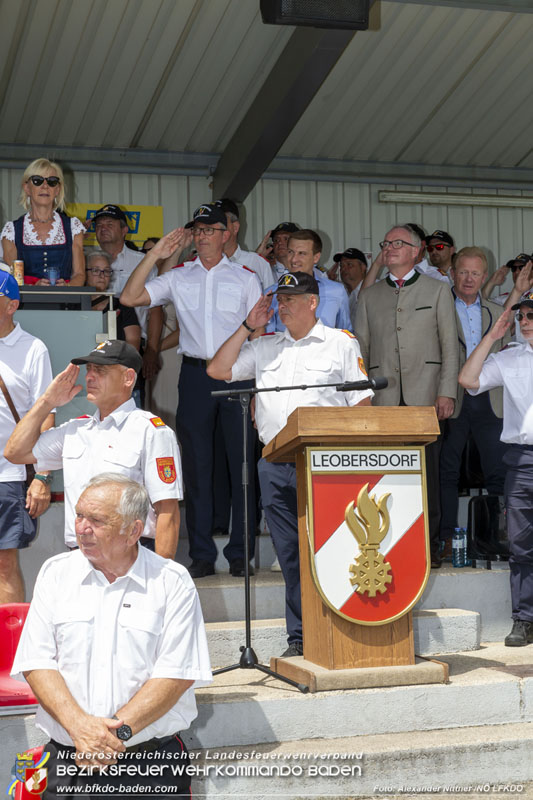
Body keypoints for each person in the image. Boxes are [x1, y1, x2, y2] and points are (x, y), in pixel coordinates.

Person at [11, 473, 212, 796]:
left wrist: (111, 737)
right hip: (67, 763)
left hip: (148, 766)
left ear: (133, 530)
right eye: (79, 515)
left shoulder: (171, 581)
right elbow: (36, 661)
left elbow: (176, 674)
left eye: (97, 520)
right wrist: (79, 728)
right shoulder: (56, 573)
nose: (82, 528)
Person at [207, 272, 373, 656]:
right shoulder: (266, 347)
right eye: (280, 299)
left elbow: (362, 403)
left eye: (291, 299)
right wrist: (249, 325)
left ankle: (341, 630)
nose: (282, 306)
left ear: (313, 302)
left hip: (324, 462)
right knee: (291, 556)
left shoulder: (339, 344)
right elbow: (218, 370)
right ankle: (300, 639)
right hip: (274, 462)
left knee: (333, 550)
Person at [120, 205, 262, 578]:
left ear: (226, 234)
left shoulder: (246, 278)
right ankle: (201, 554)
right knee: (196, 467)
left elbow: (259, 337)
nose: (201, 236)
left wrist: (260, 391)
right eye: (196, 230)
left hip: (238, 376)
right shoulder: (180, 276)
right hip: (196, 376)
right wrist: (156, 254)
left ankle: (240, 554)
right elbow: (129, 298)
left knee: (242, 466)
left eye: (209, 230)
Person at [4, 339, 182, 559]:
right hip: (78, 556)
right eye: (89, 369)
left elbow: (168, 511)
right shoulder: (76, 430)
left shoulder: (150, 430)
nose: (89, 376)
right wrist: (47, 402)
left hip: (130, 556)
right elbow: (15, 453)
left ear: (128, 378)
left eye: (101, 370)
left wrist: (161, 576)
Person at [354, 224, 459, 565]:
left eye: (398, 243)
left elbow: (450, 346)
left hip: (426, 396)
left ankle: (428, 546)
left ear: (416, 251)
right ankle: (389, 541)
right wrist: (363, 397)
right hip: (382, 400)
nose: (390, 248)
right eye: (386, 244)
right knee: (386, 473)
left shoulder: (438, 290)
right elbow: (361, 351)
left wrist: (447, 391)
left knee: (427, 475)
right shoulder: (369, 296)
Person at [458, 293, 533, 647]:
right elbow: (468, 381)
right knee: (520, 546)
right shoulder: (510, 357)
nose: (526, 321)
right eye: (523, 316)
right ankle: (525, 619)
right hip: (522, 460)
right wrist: (490, 337)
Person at [439, 247, 508, 555]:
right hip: (451, 397)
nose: (469, 279)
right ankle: (444, 540)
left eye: (475, 273)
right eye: (463, 272)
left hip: (489, 401)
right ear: (453, 273)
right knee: (447, 472)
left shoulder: (495, 312)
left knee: (498, 471)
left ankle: (496, 539)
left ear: (484, 276)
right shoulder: (439, 306)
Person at [0, 269, 54, 603]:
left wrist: (43, 476)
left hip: (8, 474)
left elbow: (46, 413)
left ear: (11, 305)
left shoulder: (33, 349)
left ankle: (7, 651)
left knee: (4, 565)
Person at [93, 204, 163, 388]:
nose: (103, 228)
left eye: (109, 223)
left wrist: (152, 351)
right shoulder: (87, 261)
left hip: (133, 346)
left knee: (132, 402)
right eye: (99, 225)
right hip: (93, 346)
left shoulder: (142, 262)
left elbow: (155, 311)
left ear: (124, 230)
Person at [1, 158, 86, 285]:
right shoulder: (11, 231)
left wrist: (68, 286)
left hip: (66, 302)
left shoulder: (73, 227)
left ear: (57, 190)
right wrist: (34, 287)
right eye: (37, 181)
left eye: (52, 182)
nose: (45, 186)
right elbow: (11, 279)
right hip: (26, 303)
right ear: (27, 188)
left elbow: (79, 275)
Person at [266, 229, 352, 333]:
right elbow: (267, 337)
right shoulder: (272, 293)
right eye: (290, 252)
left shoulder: (336, 291)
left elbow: (345, 334)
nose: (293, 259)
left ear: (316, 257)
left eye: (301, 253)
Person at [86, 250, 141, 350]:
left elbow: (133, 342)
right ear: (84, 273)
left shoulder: (122, 305)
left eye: (106, 271)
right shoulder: (73, 305)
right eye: (95, 270)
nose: (102, 276)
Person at [215, 198, 273, 291]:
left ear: (235, 227)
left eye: (221, 222)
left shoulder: (257, 263)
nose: (215, 228)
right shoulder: (202, 263)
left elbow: (272, 302)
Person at [332, 247, 368, 328]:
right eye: (341, 266)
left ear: (363, 268)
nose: (344, 269)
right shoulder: (340, 291)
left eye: (349, 265)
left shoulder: (374, 288)